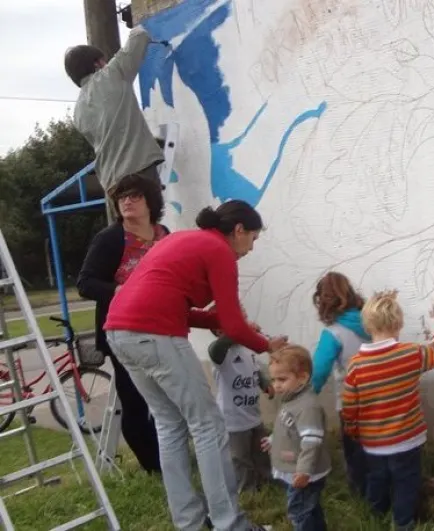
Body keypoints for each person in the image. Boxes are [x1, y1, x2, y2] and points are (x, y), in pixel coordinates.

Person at [104, 200, 285, 531]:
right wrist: (267, 346)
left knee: (170, 425)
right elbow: (234, 325)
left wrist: (220, 320)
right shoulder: (219, 250)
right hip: (155, 336)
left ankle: (188, 522)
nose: (251, 248)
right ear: (239, 230)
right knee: (207, 426)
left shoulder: (182, 240)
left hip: (120, 333)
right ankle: (229, 523)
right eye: (253, 239)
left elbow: (180, 308)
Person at [76, 174, 169, 474]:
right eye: (122, 197)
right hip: (121, 332)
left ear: (151, 202)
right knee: (135, 399)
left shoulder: (163, 233)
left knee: (165, 396)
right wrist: (123, 290)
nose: (127, 201)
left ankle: (170, 455)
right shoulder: (111, 238)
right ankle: (153, 465)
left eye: (135, 195)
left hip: (161, 327)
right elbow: (85, 283)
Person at [340, 291, 434, 531]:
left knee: (376, 479)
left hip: (373, 443)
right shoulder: (410, 353)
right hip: (407, 440)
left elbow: (350, 407)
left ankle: (374, 515)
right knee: (406, 482)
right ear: (399, 324)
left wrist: (353, 431)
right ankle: (403, 523)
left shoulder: (356, 365)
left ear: (367, 325)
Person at [64, 26, 166, 220]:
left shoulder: (78, 111)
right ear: (97, 64)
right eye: (103, 60)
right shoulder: (111, 74)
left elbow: (114, 131)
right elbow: (139, 36)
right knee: (149, 229)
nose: (106, 62)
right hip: (138, 170)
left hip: (111, 182)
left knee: (126, 237)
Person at [310, 271, 370, 496]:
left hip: (351, 404)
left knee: (355, 454)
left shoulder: (333, 333)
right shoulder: (373, 322)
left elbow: (318, 372)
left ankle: (361, 498)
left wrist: (304, 396)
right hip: (382, 400)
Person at [262, 345, 331, 531]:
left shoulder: (307, 407)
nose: (276, 385)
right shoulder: (291, 399)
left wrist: (304, 470)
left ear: (302, 378)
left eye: (282, 379)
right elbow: (288, 429)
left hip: (302, 472)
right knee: (309, 507)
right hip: (297, 469)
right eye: (273, 379)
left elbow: (311, 440)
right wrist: (273, 440)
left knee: (299, 512)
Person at [208, 331, 273, 493]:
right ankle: (247, 488)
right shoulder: (221, 354)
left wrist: (265, 385)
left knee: (261, 450)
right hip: (233, 420)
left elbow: (255, 371)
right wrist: (240, 330)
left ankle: (266, 478)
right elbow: (215, 349)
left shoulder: (247, 350)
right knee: (240, 457)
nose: (244, 323)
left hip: (253, 414)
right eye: (239, 320)